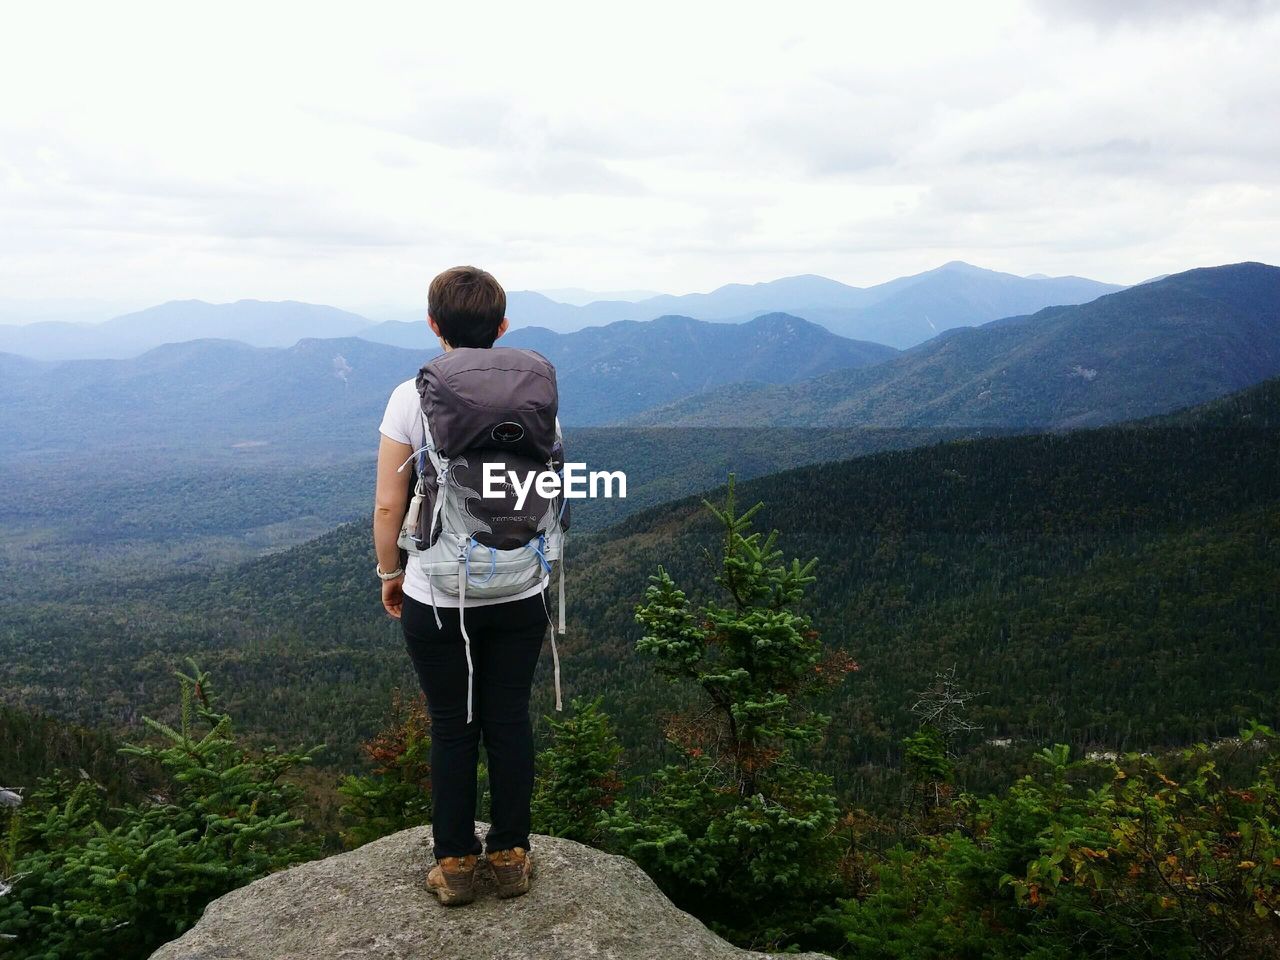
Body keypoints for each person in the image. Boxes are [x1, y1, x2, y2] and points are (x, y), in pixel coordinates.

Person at [372, 265, 548, 905]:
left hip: (440, 592)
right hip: (521, 588)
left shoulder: (409, 396)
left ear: (432, 324)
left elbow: (390, 505)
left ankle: (455, 865)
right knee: (509, 721)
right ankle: (509, 854)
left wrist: (392, 573)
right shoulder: (535, 396)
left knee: (453, 728)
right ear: (502, 327)